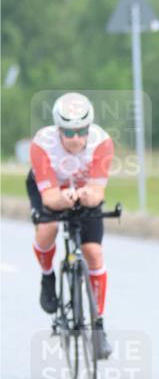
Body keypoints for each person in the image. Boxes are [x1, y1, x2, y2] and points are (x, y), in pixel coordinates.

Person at [27, 93, 114, 358]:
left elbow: (97, 193)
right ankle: (47, 276)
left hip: (84, 190)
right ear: (58, 129)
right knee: (48, 229)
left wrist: (86, 195)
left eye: (81, 131)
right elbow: (50, 198)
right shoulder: (42, 144)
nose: (75, 138)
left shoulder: (101, 142)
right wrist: (62, 198)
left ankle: (98, 325)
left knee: (94, 252)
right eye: (68, 132)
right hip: (51, 188)